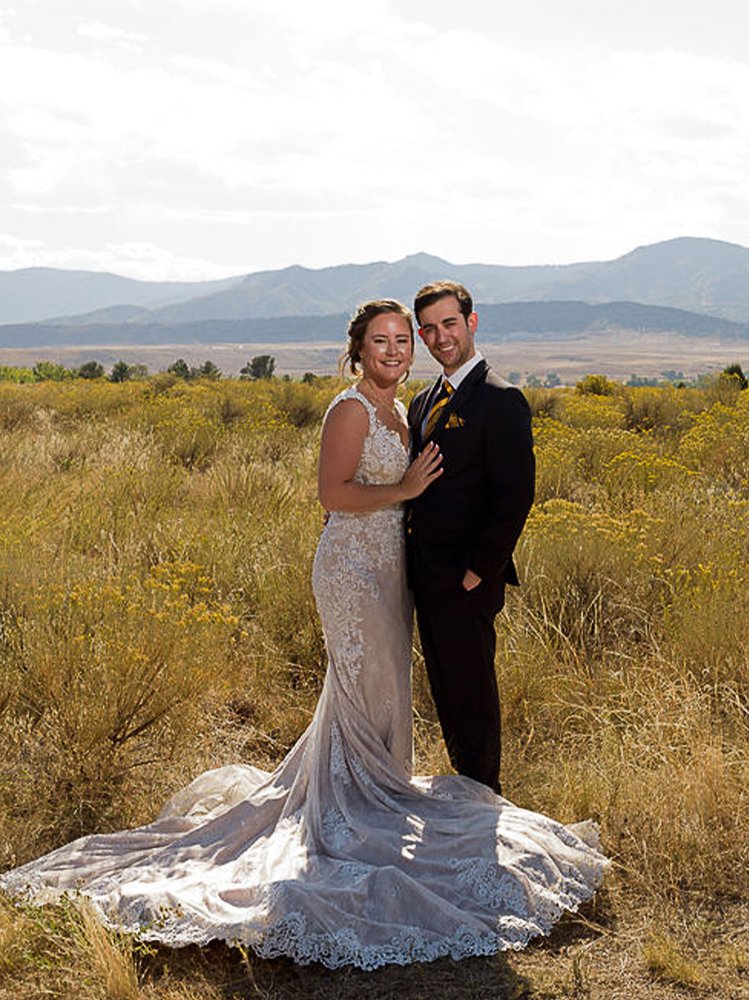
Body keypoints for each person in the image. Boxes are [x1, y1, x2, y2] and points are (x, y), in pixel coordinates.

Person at [0, 300, 606, 969]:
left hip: (391, 572)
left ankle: (380, 795)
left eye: (407, 338)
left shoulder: (409, 408)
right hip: (350, 570)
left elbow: (499, 493)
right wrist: (403, 489)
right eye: (385, 340)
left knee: (382, 691)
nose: (399, 349)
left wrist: (456, 555)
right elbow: (332, 494)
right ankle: (351, 809)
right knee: (360, 684)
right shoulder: (350, 409)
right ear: (359, 349)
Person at [407, 282, 535, 795]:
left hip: (466, 581)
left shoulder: (501, 400)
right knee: (445, 693)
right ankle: (465, 799)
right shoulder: (422, 402)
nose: (441, 337)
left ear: (472, 323)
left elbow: (515, 497)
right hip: (425, 577)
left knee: (473, 696)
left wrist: (477, 572)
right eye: (431, 329)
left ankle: (484, 802)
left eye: (450, 324)